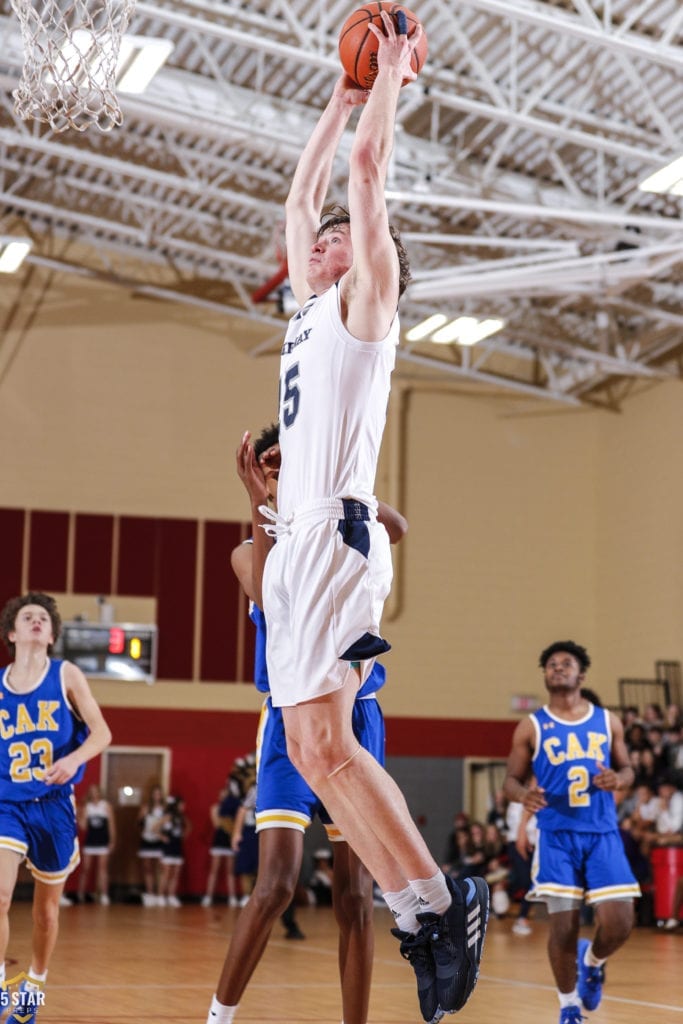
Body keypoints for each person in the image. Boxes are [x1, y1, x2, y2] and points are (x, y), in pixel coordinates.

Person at [229, 13, 489, 1024]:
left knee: (332, 736)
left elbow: (366, 171)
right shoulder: (304, 308)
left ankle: (436, 897)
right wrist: (332, 101)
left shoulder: (368, 302)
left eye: (343, 236)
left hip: (338, 538)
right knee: (312, 745)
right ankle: (425, 911)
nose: (326, 234)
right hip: (295, 551)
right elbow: (301, 193)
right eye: (324, 240)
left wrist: (388, 79)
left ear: (374, 261)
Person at [206, 421, 406, 1024]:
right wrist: (260, 501)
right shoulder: (249, 548)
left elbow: (396, 528)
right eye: (270, 462)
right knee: (276, 884)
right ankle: (218, 1017)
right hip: (290, 721)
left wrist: (334, 477)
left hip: (356, 717)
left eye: (288, 461)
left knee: (355, 896)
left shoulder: (340, 525)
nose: (278, 469)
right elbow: (270, 595)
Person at [504, 640, 641, 1024]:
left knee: (620, 923)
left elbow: (629, 769)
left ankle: (593, 962)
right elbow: (510, 781)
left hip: (602, 834)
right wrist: (524, 795)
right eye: (551, 664)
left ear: (581, 674)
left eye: (566, 664)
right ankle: (568, 1006)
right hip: (556, 837)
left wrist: (620, 778)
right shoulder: (530, 725)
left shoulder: (607, 720)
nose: (558, 668)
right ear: (545, 675)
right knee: (563, 925)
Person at [0, 591, 112, 1024]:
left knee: (46, 912)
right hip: (8, 801)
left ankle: (35, 984)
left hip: (53, 806)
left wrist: (73, 759)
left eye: (43, 618)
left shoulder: (66, 674)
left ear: (51, 634)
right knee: (2, 894)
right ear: (12, 632)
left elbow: (102, 733)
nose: (36, 621)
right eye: (27, 616)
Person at [201, 779, 243, 908]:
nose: (223, 796)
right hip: (218, 841)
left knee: (230, 871)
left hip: (229, 841)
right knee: (214, 870)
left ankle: (232, 897)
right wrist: (228, 822)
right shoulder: (215, 808)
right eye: (221, 794)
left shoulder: (234, 809)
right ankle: (208, 897)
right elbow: (217, 823)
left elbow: (236, 823)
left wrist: (231, 825)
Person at [77, 783, 116, 905]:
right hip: (90, 841)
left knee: (102, 869)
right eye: (92, 791)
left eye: (96, 791)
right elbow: (84, 827)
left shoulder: (106, 806)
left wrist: (112, 840)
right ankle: (80, 894)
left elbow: (111, 825)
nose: (94, 794)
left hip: (103, 840)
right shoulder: (87, 807)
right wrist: (79, 815)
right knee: (86, 868)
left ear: (99, 792)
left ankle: (104, 894)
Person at [159, 795, 191, 907]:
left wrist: (184, 835)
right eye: (182, 805)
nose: (183, 807)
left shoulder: (181, 817)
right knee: (166, 873)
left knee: (176, 873)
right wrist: (162, 837)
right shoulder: (168, 817)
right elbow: (155, 827)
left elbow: (188, 827)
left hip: (177, 847)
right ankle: (161, 896)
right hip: (168, 847)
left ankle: (171, 895)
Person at [137, 784, 165, 906]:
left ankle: (160, 893)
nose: (157, 796)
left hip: (159, 840)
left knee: (161, 867)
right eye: (155, 794)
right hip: (147, 839)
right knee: (148, 868)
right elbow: (138, 822)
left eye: (159, 794)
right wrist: (141, 828)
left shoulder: (165, 808)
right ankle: (150, 893)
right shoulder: (146, 808)